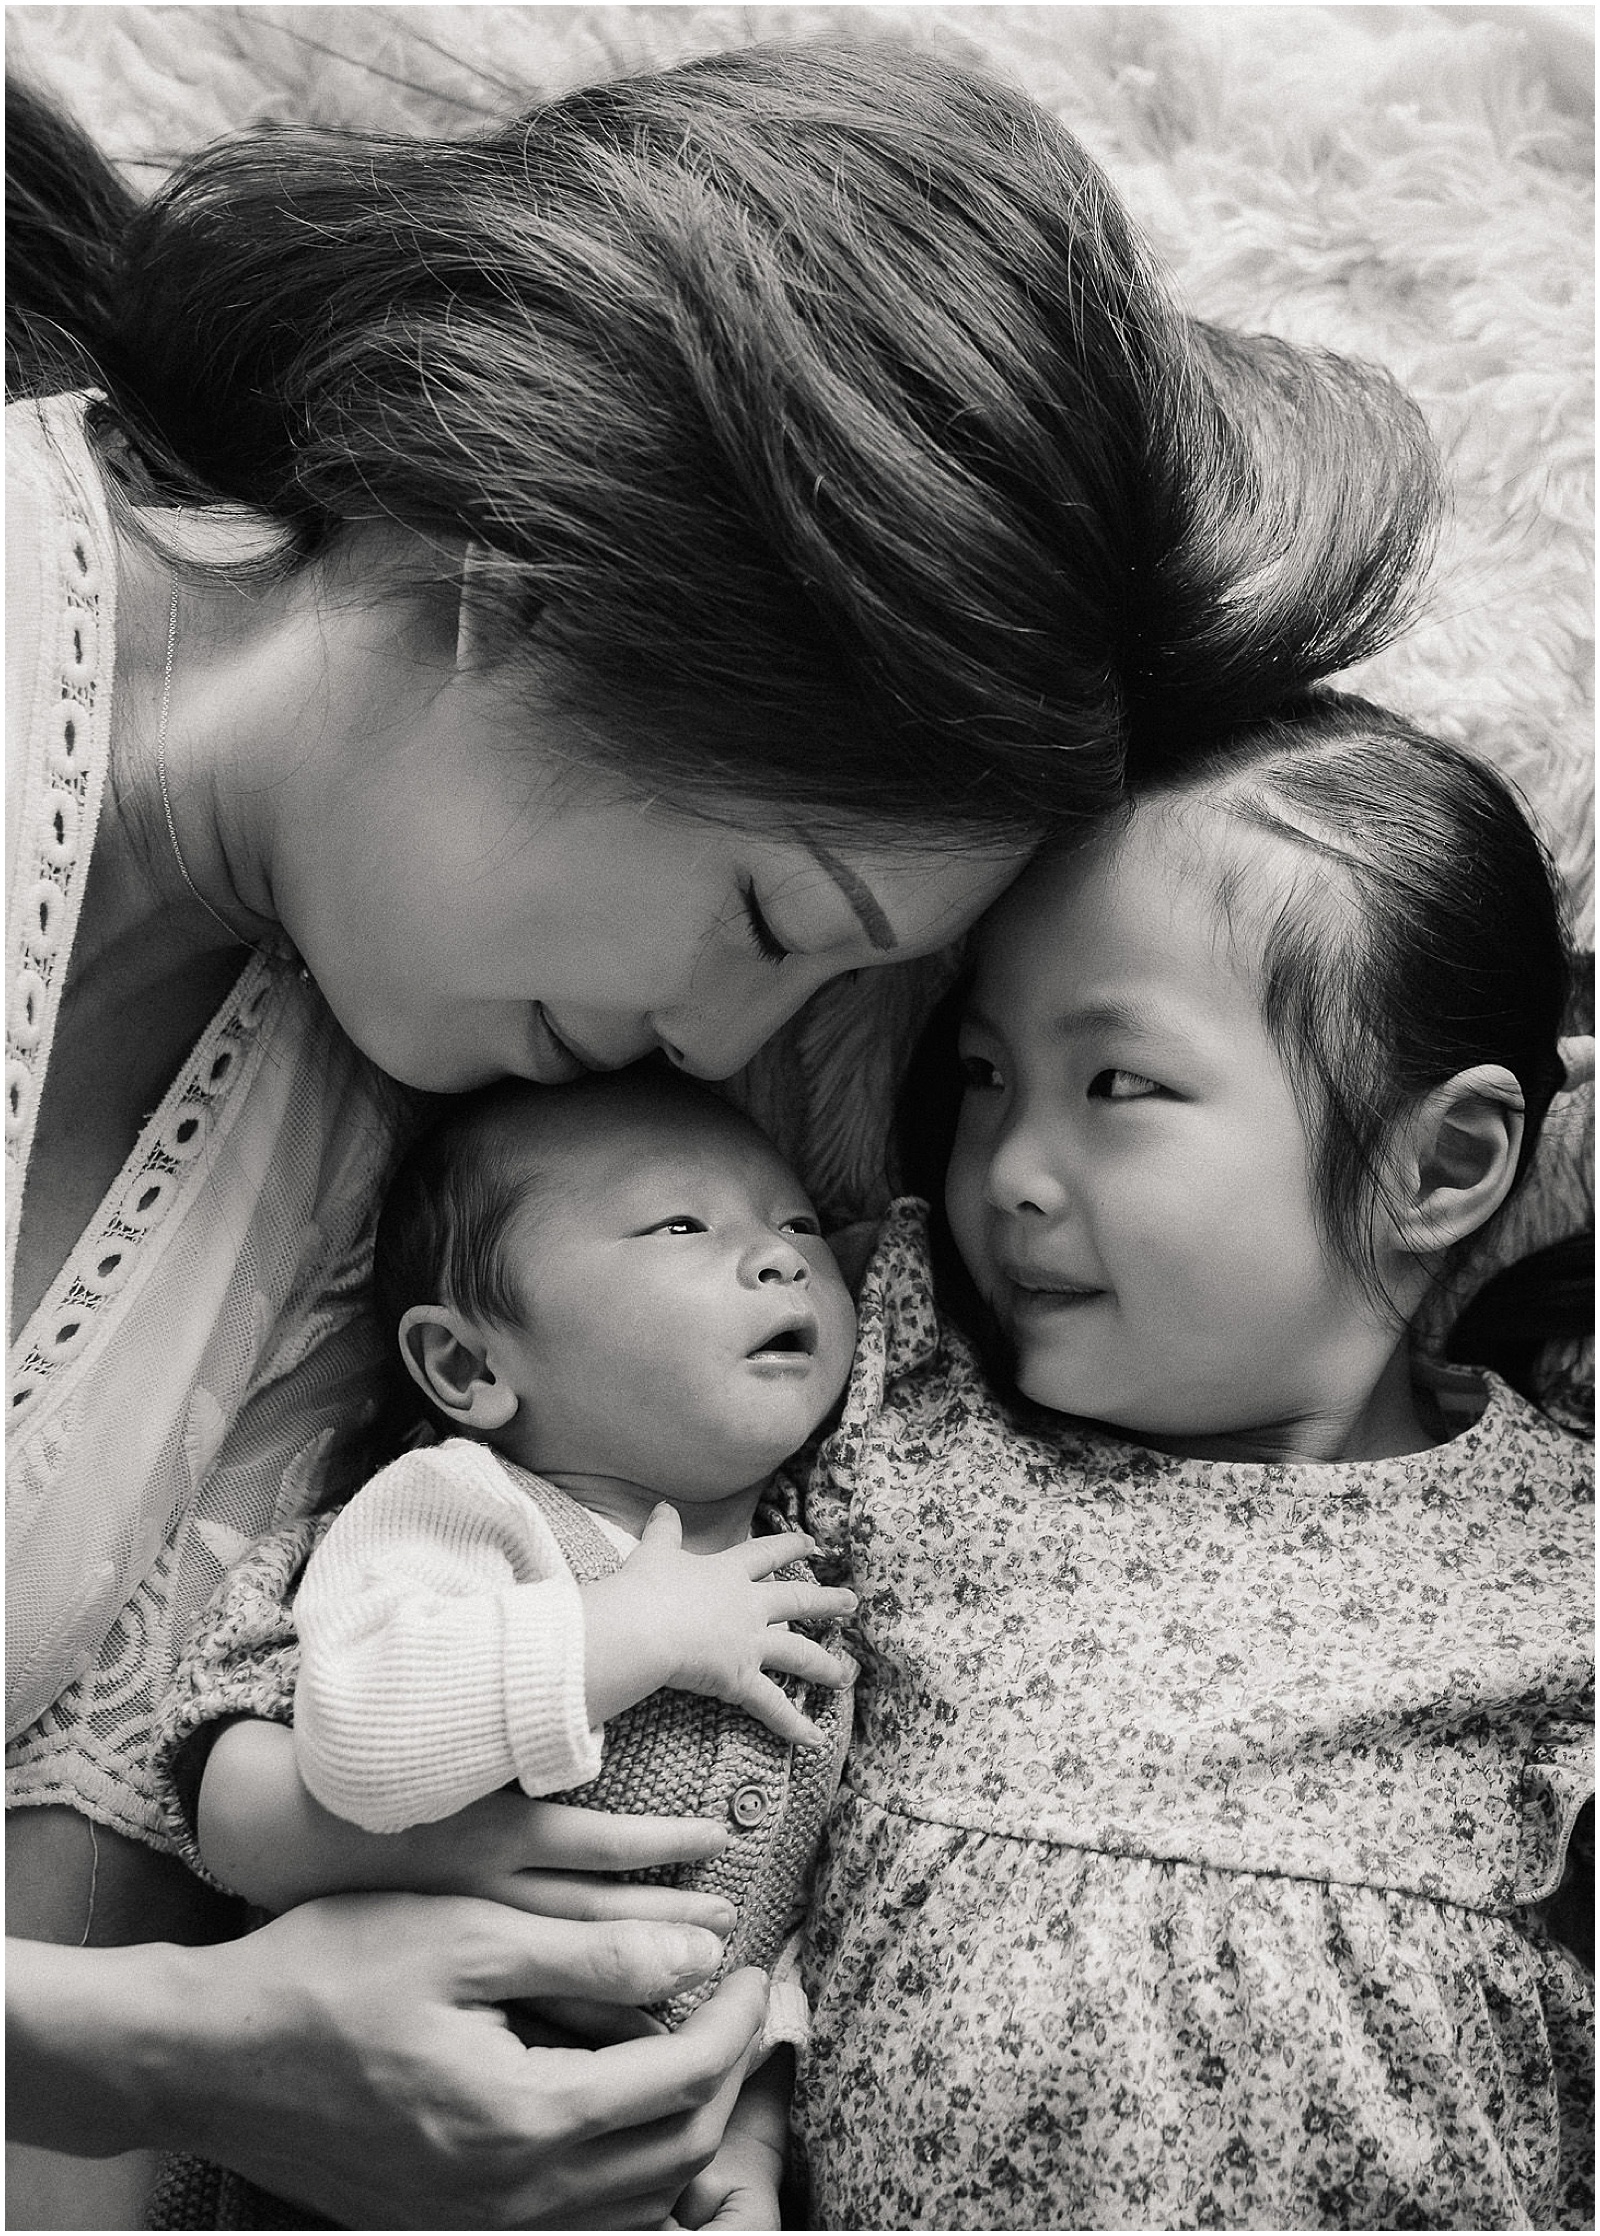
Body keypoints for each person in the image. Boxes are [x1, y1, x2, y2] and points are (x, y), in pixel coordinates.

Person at [4, 37, 1440, 2229]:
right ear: (538, 563)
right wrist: (145, 2053)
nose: (712, 1039)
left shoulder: (372, 1119)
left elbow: (115, 1837)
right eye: (771, 918)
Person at [795, 693, 1595, 2229]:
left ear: (1436, 1164)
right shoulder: (887, 1394)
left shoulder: (1565, 1564)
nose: (1010, 1173)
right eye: (980, 1076)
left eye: (1118, 1088)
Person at [149, 1070, 860, 2229]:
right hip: (360, 2155)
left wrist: (751, 2126)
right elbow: (358, 1738)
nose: (781, 1258)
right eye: (682, 1224)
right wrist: (630, 1628)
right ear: (471, 1369)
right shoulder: (459, 1509)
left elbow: (793, 1904)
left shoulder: (806, 1582)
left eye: (801, 1223)